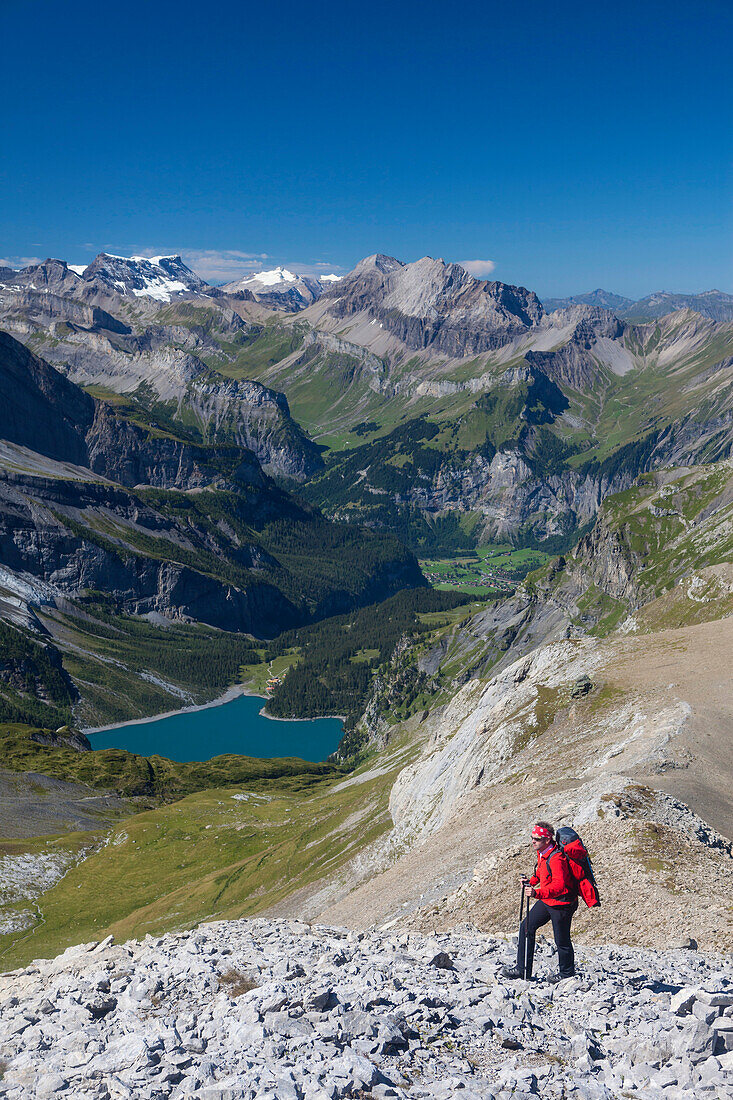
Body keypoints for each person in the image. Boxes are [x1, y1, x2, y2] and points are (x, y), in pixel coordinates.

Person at [502, 821, 579, 983]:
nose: (533, 841)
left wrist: (537, 892)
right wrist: (531, 881)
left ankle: (567, 974)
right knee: (526, 927)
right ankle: (522, 970)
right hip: (548, 899)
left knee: (562, 940)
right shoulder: (543, 853)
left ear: (547, 840)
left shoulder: (556, 858)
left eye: (537, 838)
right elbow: (543, 874)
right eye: (532, 838)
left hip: (562, 904)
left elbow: (560, 886)